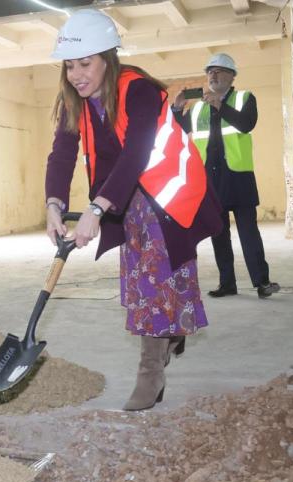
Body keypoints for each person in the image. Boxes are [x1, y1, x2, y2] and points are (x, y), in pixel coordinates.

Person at [44, 10, 222, 411]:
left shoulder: (138, 90)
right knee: (149, 277)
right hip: (129, 197)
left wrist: (96, 208)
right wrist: (54, 204)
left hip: (169, 194)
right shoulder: (75, 99)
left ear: (107, 58)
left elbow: (137, 152)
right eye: (70, 65)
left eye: (85, 63)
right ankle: (168, 332)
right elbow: (62, 153)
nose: (76, 74)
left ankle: (151, 371)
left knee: (153, 277)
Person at [172, 53, 280, 299]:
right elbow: (179, 132)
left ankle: (262, 282)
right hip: (209, 181)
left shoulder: (244, 99)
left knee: (248, 233)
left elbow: (246, 123)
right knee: (219, 235)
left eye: (219, 71)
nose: (213, 75)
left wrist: (220, 105)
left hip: (239, 178)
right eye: (210, 71)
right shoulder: (199, 106)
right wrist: (177, 109)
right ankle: (227, 283)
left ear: (232, 76)